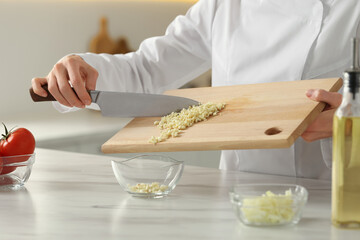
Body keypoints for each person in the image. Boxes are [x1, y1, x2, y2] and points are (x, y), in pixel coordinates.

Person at [32, 0, 360, 179]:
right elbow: (146, 69)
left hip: (337, 193)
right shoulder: (225, 6)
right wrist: (79, 72)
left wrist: (353, 115)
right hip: (239, 189)